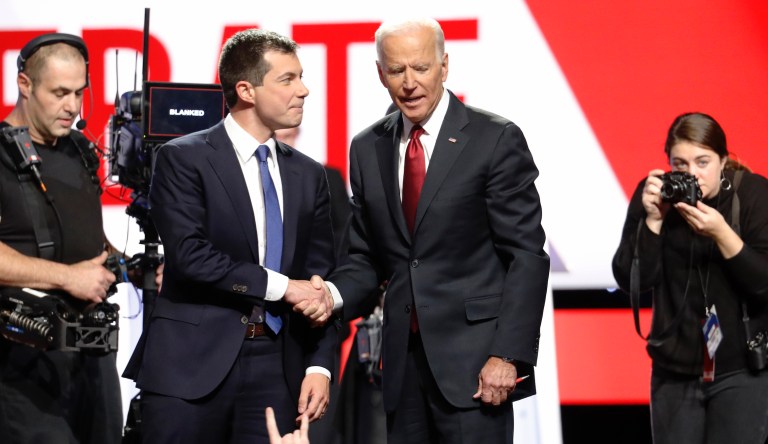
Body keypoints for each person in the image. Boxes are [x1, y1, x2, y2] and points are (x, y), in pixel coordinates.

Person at [316, 18, 550, 443]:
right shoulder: (367, 147)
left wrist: (508, 356)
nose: (409, 83)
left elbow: (526, 256)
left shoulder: (494, 138)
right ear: (379, 73)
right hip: (402, 371)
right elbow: (365, 258)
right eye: (396, 70)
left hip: (478, 369)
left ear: (444, 65)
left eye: (421, 68)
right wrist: (328, 296)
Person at [122, 29, 338, 444]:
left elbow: (320, 280)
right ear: (246, 90)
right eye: (288, 79)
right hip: (190, 368)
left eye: (302, 77)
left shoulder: (309, 174)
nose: (304, 90)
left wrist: (320, 365)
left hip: (279, 369)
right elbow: (190, 255)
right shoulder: (183, 158)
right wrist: (283, 288)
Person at [612, 112, 768, 443]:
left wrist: (722, 233)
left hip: (740, 369)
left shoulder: (752, 195)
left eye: (702, 162)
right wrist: (653, 221)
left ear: (723, 160)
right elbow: (629, 278)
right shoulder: (656, 195)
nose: (692, 174)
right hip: (674, 371)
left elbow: (763, 284)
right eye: (680, 164)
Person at [0, 33, 124, 443]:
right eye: (59, 93)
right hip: (21, 366)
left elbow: (89, 240)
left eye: (78, 93)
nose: (72, 106)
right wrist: (67, 277)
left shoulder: (80, 151)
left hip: (93, 356)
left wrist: (126, 263)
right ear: (24, 85)